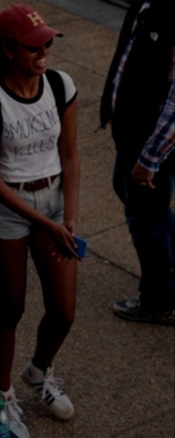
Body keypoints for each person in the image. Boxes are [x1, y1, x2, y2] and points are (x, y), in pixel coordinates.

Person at [0, 4, 80, 435]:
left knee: (64, 311)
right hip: (5, 211)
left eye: (47, 43)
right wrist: (47, 224)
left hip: (55, 204)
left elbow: (71, 157)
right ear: (8, 50)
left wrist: (68, 219)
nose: (44, 51)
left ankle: (39, 372)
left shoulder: (61, 86)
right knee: (11, 306)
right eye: (34, 46)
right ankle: (3, 395)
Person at [100, 0, 174, 325]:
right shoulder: (144, 5)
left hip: (151, 142)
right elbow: (125, 59)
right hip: (133, 134)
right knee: (127, 189)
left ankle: (157, 300)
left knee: (145, 217)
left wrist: (150, 159)